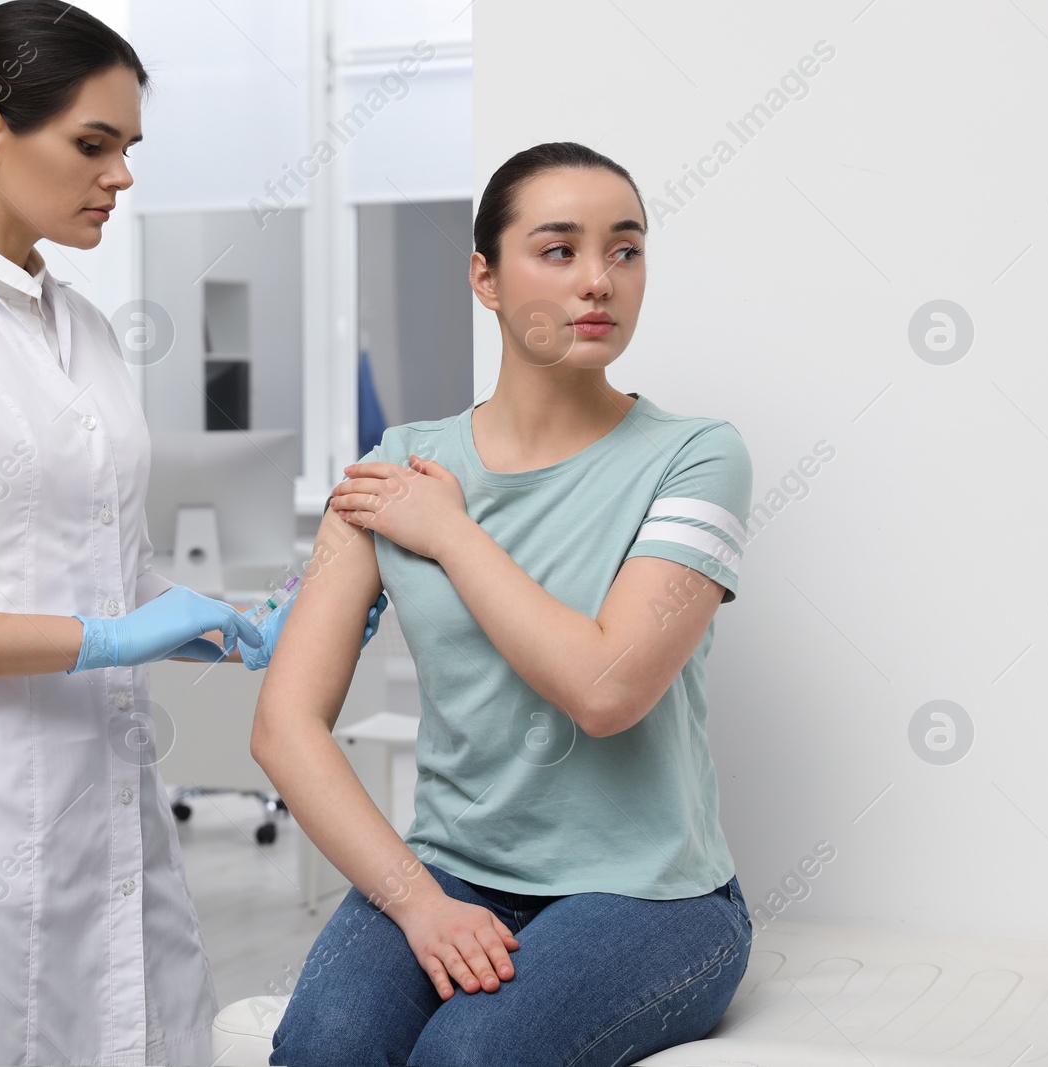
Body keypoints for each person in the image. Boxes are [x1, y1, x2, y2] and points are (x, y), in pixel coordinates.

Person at [0, 3, 380, 1063]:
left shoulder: (88, 332)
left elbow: (99, 564)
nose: (120, 177)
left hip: (106, 813)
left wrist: (231, 628)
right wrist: (104, 638)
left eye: (129, 149)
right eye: (92, 146)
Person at [251, 141, 755, 1066]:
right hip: (451, 867)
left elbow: (605, 691)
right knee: (326, 1047)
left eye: (625, 250)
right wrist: (416, 898)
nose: (598, 281)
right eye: (558, 250)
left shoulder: (697, 457)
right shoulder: (397, 465)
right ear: (485, 277)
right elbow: (286, 725)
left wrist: (452, 532)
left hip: (652, 897)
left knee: (469, 1056)